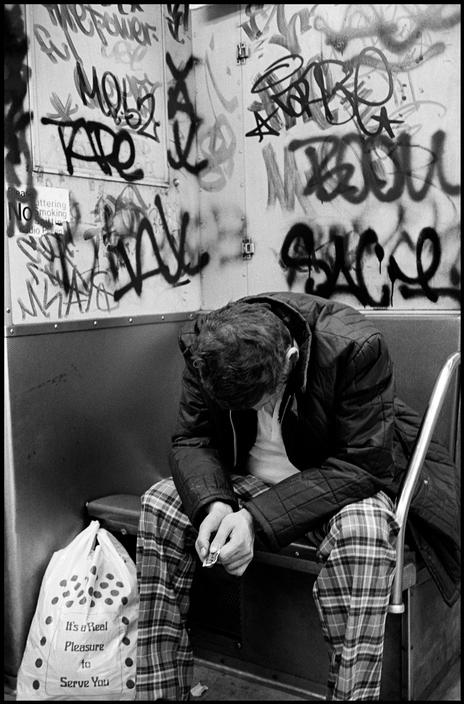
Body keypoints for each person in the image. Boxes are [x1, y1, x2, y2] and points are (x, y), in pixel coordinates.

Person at [136, 291, 460, 701]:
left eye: (264, 400)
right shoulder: (207, 349)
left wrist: (254, 518)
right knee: (158, 505)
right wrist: (214, 504)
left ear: (290, 359)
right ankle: (160, 692)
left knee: (365, 534)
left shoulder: (355, 347)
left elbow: (363, 466)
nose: (259, 412)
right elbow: (194, 438)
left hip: (336, 480)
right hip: (246, 480)